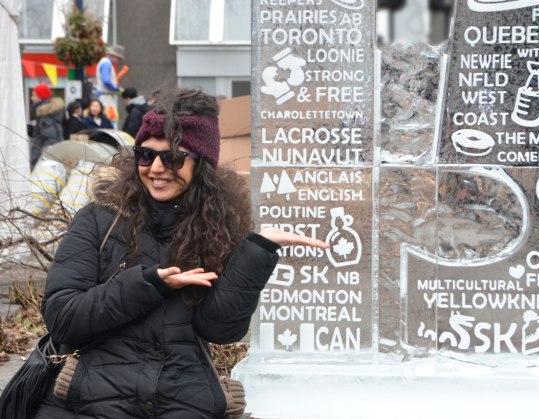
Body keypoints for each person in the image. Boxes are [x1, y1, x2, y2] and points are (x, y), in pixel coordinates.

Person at [34, 87, 328, 418]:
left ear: (201, 164)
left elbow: (221, 329)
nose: (156, 168)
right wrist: (149, 285)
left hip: (183, 399)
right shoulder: (99, 219)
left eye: (173, 158)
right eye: (145, 155)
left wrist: (255, 253)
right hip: (91, 398)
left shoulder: (219, 228)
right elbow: (62, 318)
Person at [29, 83, 65, 169]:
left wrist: (42, 158)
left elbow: (50, 139)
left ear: (41, 96)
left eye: (34, 95)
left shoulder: (44, 115)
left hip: (43, 160)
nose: (32, 98)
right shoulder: (47, 113)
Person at [95, 44, 125, 127]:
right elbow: (106, 81)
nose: (118, 60)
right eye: (118, 58)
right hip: (106, 97)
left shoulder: (105, 62)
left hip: (104, 96)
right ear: (113, 56)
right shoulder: (107, 64)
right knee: (110, 119)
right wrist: (117, 89)